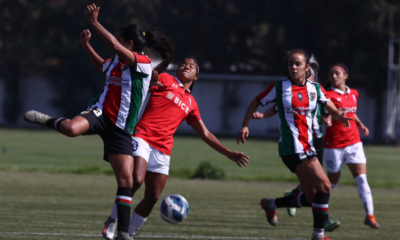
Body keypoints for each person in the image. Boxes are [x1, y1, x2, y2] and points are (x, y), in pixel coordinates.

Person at [23, 4, 173, 240]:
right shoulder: (117, 60)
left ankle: (123, 232)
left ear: (129, 44)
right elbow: (101, 66)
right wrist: (86, 45)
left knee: (127, 181)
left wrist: (94, 23)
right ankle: (48, 121)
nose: (116, 42)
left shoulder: (143, 62)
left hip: (122, 129)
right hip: (100, 113)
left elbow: (113, 44)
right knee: (71, 129)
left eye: (120, 39)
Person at [102, 57, 250, 240]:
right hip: (143, 136)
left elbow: (205, 133)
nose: (186, 66)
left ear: (196, 76)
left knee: (153, 197)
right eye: (183, 63)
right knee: (136, 180)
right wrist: (150, 83)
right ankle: (113, 220)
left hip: (163, 149)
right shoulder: (165, 79)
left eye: (192, 65)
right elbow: (139, 89)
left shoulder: (191, 103)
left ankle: (128, 234)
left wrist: (228, 152)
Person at [238, 49, 353, 240]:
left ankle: (271, 204)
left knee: (311, 197)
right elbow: (256, 102)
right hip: (292, 148)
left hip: (309, 147)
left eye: (298, 63)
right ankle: (318, 236)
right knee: (325, 186)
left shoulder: (315, 89)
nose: (293, 67)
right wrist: (244, 125)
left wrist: (340, 116)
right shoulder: (279, 87)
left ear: (307, 67)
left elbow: (330, 107)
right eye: (290, 63)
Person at [323, 63, 380, 229]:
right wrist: (326, 120)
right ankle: (302, 197)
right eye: (331, 74)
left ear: (345, 75)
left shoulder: (354, 93)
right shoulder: (327, 95)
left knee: (362, 179)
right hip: (334, 145)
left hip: (354, 143)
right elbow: (324, 115)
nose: (333, 76)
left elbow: (351, 111)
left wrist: (361, 124)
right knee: (330, 184)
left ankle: (370, 215)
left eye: (337, 73)